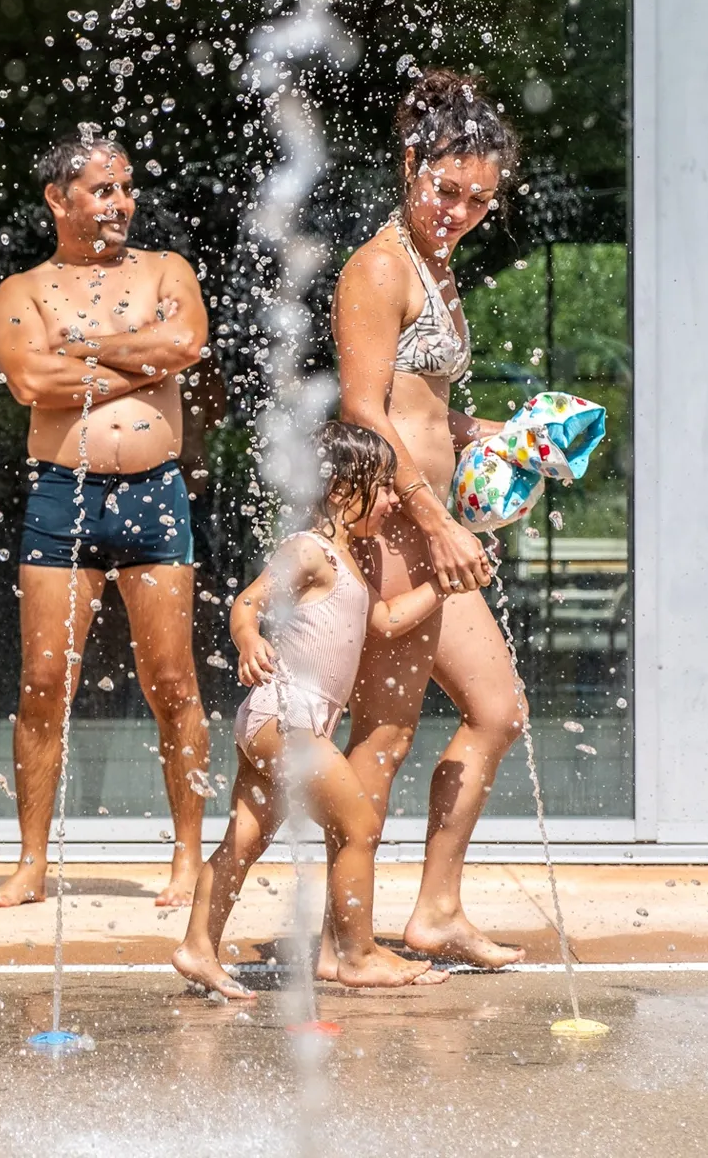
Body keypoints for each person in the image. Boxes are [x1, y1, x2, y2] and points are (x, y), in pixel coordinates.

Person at [0, 129, 211, 908]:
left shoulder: (167, 270)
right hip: (62, 494)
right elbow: (31, 382)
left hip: (155, 492)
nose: (121, 202)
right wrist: (140, 362)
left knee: (172, 681)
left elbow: (187, 342)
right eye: (103, 189)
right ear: (58, 198)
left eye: (126, 187)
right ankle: (31, 862)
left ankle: (188, 856)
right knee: (44, 681)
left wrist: (87, 347)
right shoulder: (23, 290)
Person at [332, 69, 528, 967]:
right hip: (392, 524)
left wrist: (497, 435)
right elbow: (363, 410)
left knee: (497, 710)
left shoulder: (435, 267)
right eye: (446, 191)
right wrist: (435, 519)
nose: (459, 212)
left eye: (479, 201)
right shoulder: (379, 267)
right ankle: (344, 941)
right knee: (384, 733)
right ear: (411, 163)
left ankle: (437, 910)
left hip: (431, 523)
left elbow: (420, 409)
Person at [173, 423, 460, 997]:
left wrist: (445, 585)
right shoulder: (309, 550)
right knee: (359, 825)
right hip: (285, 715)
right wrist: (249, 641)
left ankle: (197, 947)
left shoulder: (347, 562)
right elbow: (247, 602)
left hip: (287, 722)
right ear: (340, 489)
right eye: (382, 488)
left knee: (244, 841)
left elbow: (385, 621)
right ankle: (357, 954)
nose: (391, 501)